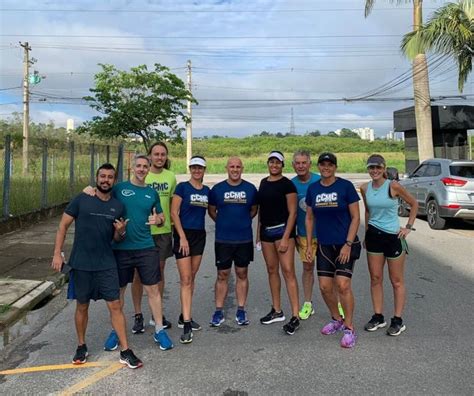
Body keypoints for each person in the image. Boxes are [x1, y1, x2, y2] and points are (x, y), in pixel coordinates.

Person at [51, 163, 143, 369]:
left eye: (110, 177)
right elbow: (62, 226)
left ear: (114, 180)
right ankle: (81, 346)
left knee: (115, 305)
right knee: (82, 305)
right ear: (97, 177)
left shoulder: (118, 206)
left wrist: (120, 231)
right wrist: (58, 253)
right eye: (102, 176)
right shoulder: (82, 199)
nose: (106, 180)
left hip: (106, 263)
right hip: (81, 264)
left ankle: (125, 350)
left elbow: (117, 239)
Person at [100, 155, 174, 351]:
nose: (142, 169)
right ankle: (116, 330)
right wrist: (89, 190)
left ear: (149, 169)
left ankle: (159, 330)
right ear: (132, 168)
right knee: (118, 292)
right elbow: (101, 195)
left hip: (146, 247)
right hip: (121, 248)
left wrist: (158, 220)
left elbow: (161, 217)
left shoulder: (151, 193)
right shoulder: (119, 188)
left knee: (153, 290)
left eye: (145, 166)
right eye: (138, 166)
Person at [305, 153, 360, 348]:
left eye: (330, 164)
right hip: (324, 245)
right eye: (323, 164)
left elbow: (355, 218)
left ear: (335, 167)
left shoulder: (345, 187)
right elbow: (310, 218)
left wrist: (347, 243)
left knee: (343, 285)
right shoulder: (313, 189)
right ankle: (337, 319)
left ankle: (349, 327)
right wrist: (310, 244)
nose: (326, 167)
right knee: (325, 287)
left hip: (345, 244)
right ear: (319, 167)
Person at [360, 154, 418, 336]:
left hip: (393, 237)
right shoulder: (364, 188)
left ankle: (398, 320)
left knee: (396, 281)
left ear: (384, 168)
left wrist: (408, 227)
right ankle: (378, 316)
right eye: (371, 168)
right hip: (374, 237)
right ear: (368, 169)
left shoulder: (393, 186)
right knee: (375, 278)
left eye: (378, 167)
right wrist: (367, 232)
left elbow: (414, 203)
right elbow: (368, 211)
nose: (375, 171)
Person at [131, 142, 176, 332]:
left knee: (158, 273)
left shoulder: (171, 177)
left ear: (166, 157)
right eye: (156, 154)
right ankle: (138, 314)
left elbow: (172, 205)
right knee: (138, 275)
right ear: (149, 156)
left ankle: (156, 314)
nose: (159, 157)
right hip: (141, 232)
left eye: (162, 154)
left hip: (163, 231)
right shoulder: (141, 174)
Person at [208, 157, 258, 327]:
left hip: (244, 239)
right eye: (232, 166)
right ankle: (218, 311)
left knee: (242, 273)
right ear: (227, 168)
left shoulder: (250, 189)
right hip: (223, 239)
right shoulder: (217, 189)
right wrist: (224, 222)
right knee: (222, 274)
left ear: (242, 168)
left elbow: (253, 210)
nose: (235, 169)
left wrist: (240, 221)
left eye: (238, 167)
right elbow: (212, 211)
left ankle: (241, 310)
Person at [257, 151, 301, 335]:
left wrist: (285, 237)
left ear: (282, 165)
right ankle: (277, 310)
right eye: (271, 162)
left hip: (283, 232)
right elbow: (261, 210)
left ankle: (295, 315)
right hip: (266, 232)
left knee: (288, 271)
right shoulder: (263, 183)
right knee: (271, 270)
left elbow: (293, 213)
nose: (274, 165)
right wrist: (257, 234)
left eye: (278, 162)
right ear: (268, 164)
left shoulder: (287, 184)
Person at [171, 155, 210, 344]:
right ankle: (186, 324)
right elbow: (173, 212)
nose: (197, 170)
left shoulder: (207, 190)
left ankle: (183, 314)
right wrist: (182, 237)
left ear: (204, 170)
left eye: (200, 168)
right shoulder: (182, 188)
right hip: (183, 235)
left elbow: (213, 211)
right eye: (194, 167)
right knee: (185, 279)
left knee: (191, 277)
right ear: (190, 169)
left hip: (199, 236)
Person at [291, 150, 320, 320]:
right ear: (293, 165)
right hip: (303, 234)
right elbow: (290, 212)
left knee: (330, 271)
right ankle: (308, 303)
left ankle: (338, 303)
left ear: (309, 164)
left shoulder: (319, 180)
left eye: (304, 163)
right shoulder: (291, 184)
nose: (301, 166)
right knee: (308, 268)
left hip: (324, 233)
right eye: (298, 163)